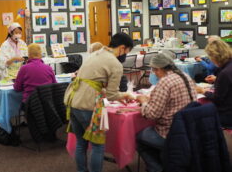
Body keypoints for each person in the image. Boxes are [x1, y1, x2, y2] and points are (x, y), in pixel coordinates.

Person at [64, 33, 134, 172]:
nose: (125, 55)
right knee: (97, 145)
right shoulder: (115, 64)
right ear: (122, 48)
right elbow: (112, 94)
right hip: (87, 104)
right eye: (127, 51)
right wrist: (127, 95)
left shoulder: (96, 53)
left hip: (72, 100)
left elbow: (93, 80)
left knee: (81, 143)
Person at [136, 53, 197, 172]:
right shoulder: (185, 76)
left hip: (170, 132)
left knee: (138, 137)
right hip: (189, 129)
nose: (154, 74)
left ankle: (156, 168)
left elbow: (152, 114)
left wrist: (143, 102)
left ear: (158, 69)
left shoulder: (165, 82)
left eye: (154, 71)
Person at [197, 40, 232, 128]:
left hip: (226, 115)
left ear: (215, 56)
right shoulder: (228, 68)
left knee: (196, 114)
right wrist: (217, 79)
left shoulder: (224, 73)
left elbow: (217, 99)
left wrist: (203, 91)